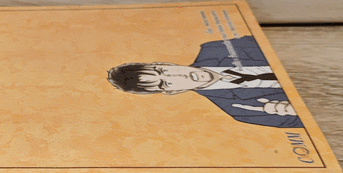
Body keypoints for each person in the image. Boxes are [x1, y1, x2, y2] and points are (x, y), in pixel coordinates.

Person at [107, 36, 303, 127]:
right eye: (166, 83)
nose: (180, 77)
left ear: (165, 63)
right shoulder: (238, 110)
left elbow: (272, 42)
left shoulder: (216, 48)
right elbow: (304, 124)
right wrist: (294, 111)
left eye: (164, 71)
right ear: (173, 92)